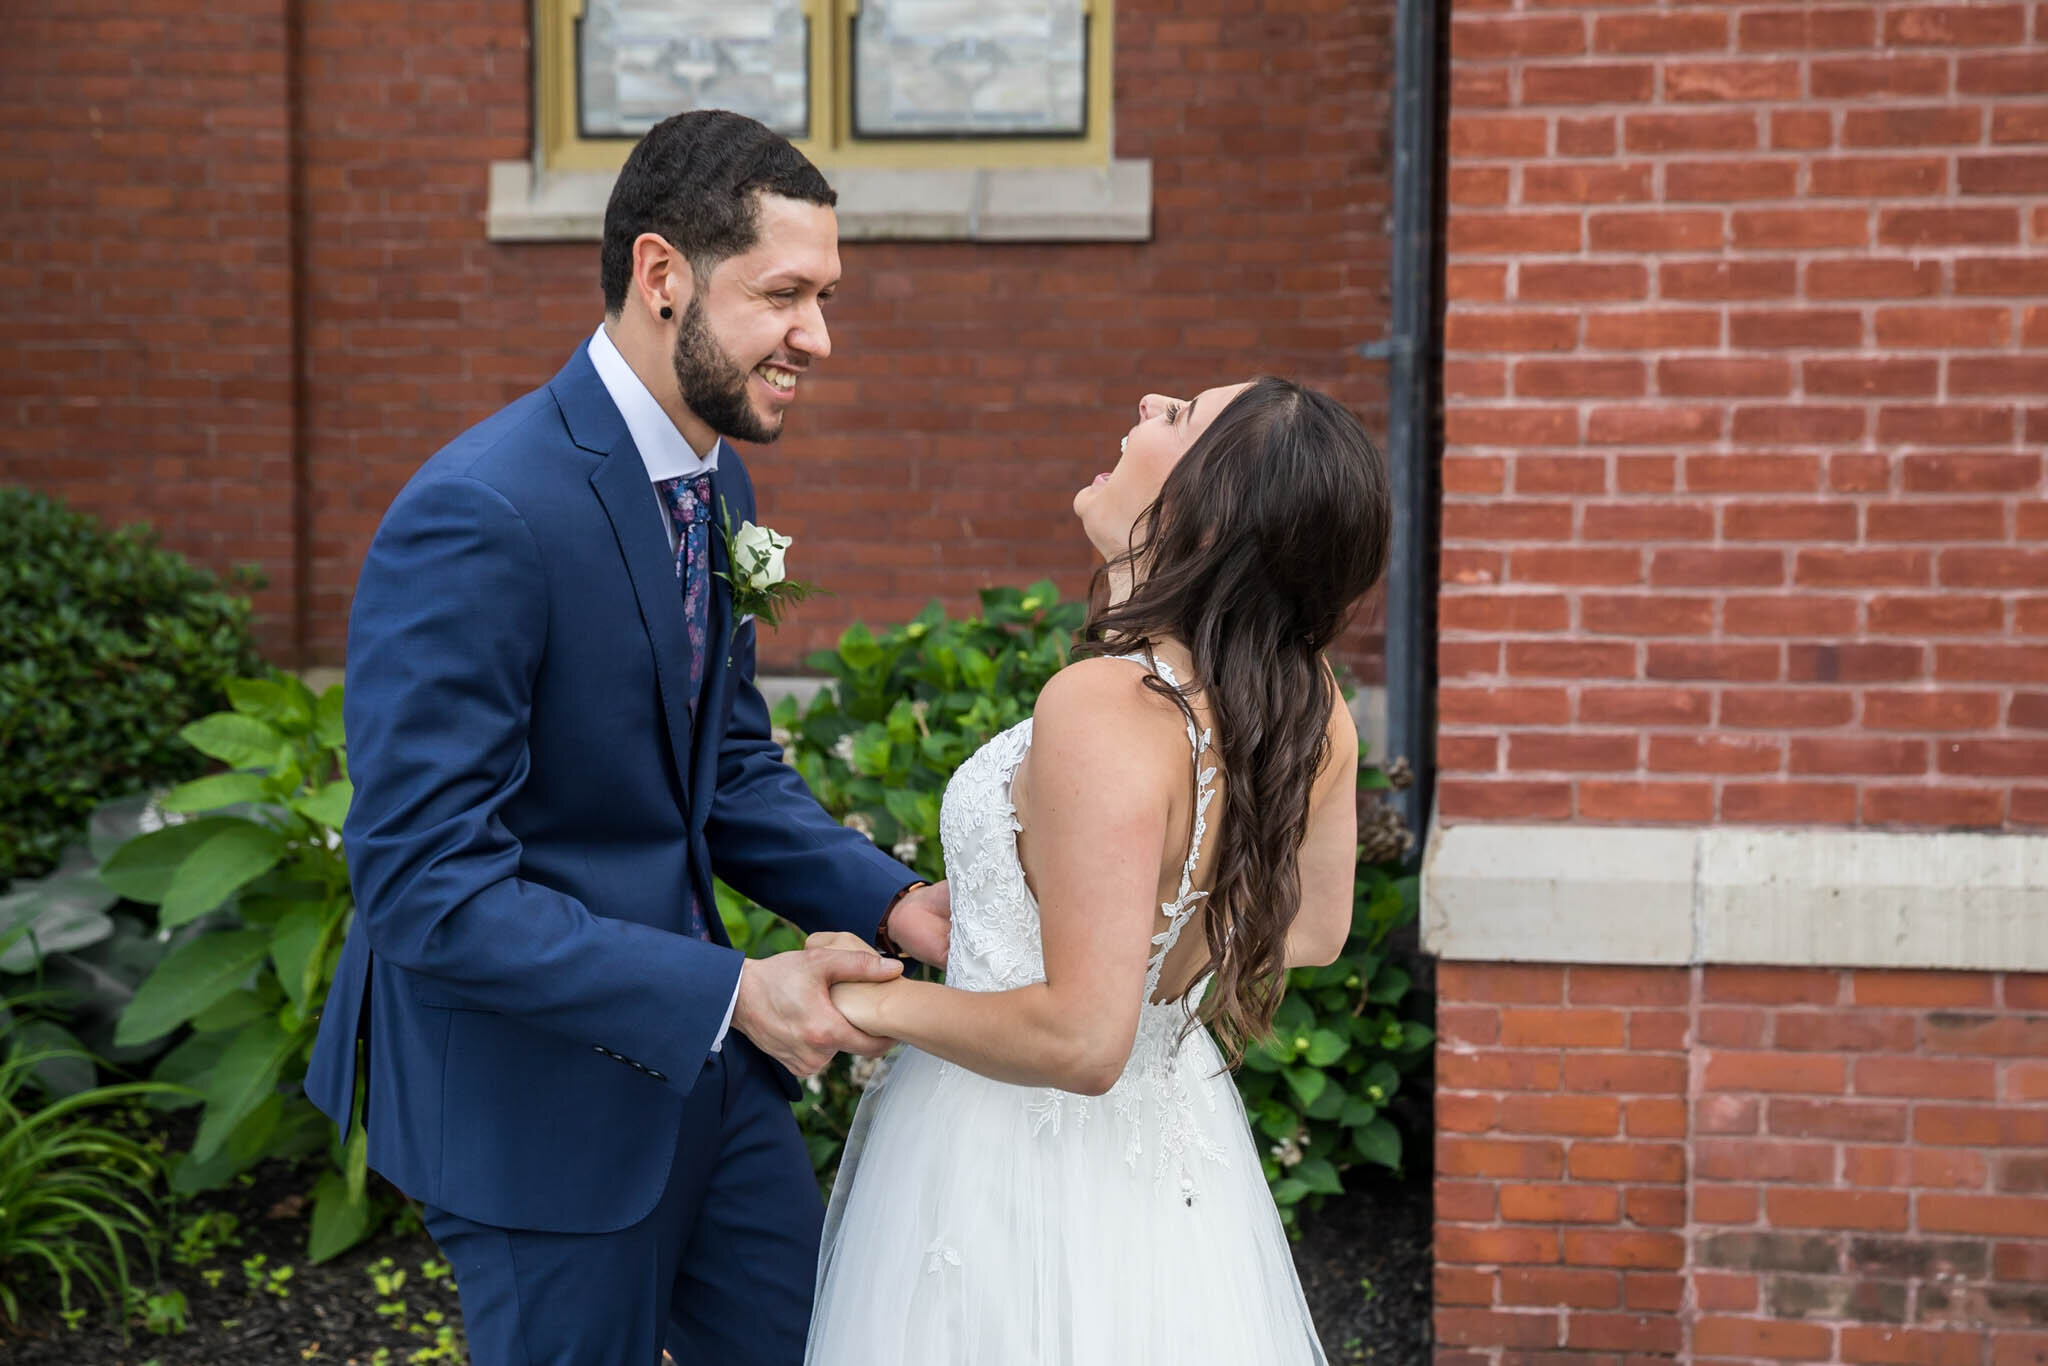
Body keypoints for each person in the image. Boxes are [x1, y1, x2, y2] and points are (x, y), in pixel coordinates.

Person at [304, 109, 952, 1365]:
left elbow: (722, 770)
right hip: (533, 1103)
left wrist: (898, 906)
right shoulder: (478, 512)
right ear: (664, 277)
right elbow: (425, 888)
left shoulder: (718, 481)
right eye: (784, 295)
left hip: (707, 1078)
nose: (816, 335)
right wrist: (733, 989)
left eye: (825, 295)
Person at [805, 377, 1392, 1364]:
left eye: (1180, 417)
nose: (1148, 401)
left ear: (1207, 519)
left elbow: (1081, 1039)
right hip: (1168, 1178)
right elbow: (1313, 926)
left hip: (1013, 1163)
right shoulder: (1302, 700)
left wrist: (858, 1001)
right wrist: (1038, 902)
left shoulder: (1103, 704)